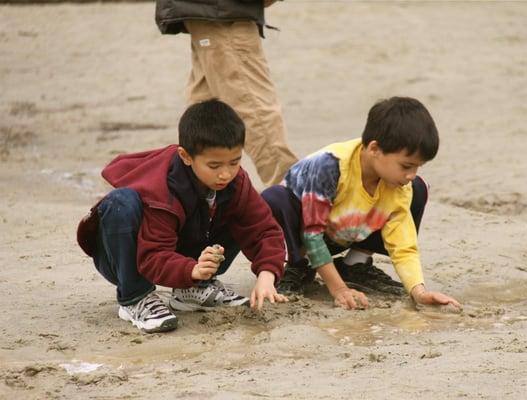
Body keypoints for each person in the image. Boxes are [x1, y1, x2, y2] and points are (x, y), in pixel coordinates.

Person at [77, 99, 288, 333]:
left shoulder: (235, 181)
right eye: (214, 165)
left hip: (185, 251)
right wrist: (191, 270)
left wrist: (267, 275)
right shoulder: (162, 188)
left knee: (239, 204)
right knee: (120, 202)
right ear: (186, 156)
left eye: (235, 162)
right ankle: (134, 298)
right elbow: (152, 256)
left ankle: (193, 291)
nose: (226, 173)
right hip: (127, 256)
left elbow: (263, 229)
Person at [262, 97, 461, 310]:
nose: (411, 174)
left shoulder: (400, 183)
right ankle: (295, 267)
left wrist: (419, 291)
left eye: (418, 167)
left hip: (343, 231)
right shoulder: (330, 165)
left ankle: (355, 264)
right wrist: (339, 289)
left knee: (419, 189)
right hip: (305, 233)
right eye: (406, 166)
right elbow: (312, 235)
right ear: (374, 149)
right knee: (274, 198)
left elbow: (403, 243)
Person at [154, 0, 297, 186]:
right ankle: (298, 201)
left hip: (208, 13)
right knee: (257, 115)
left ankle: (196, 205)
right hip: (222, 14)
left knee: (203, 122)